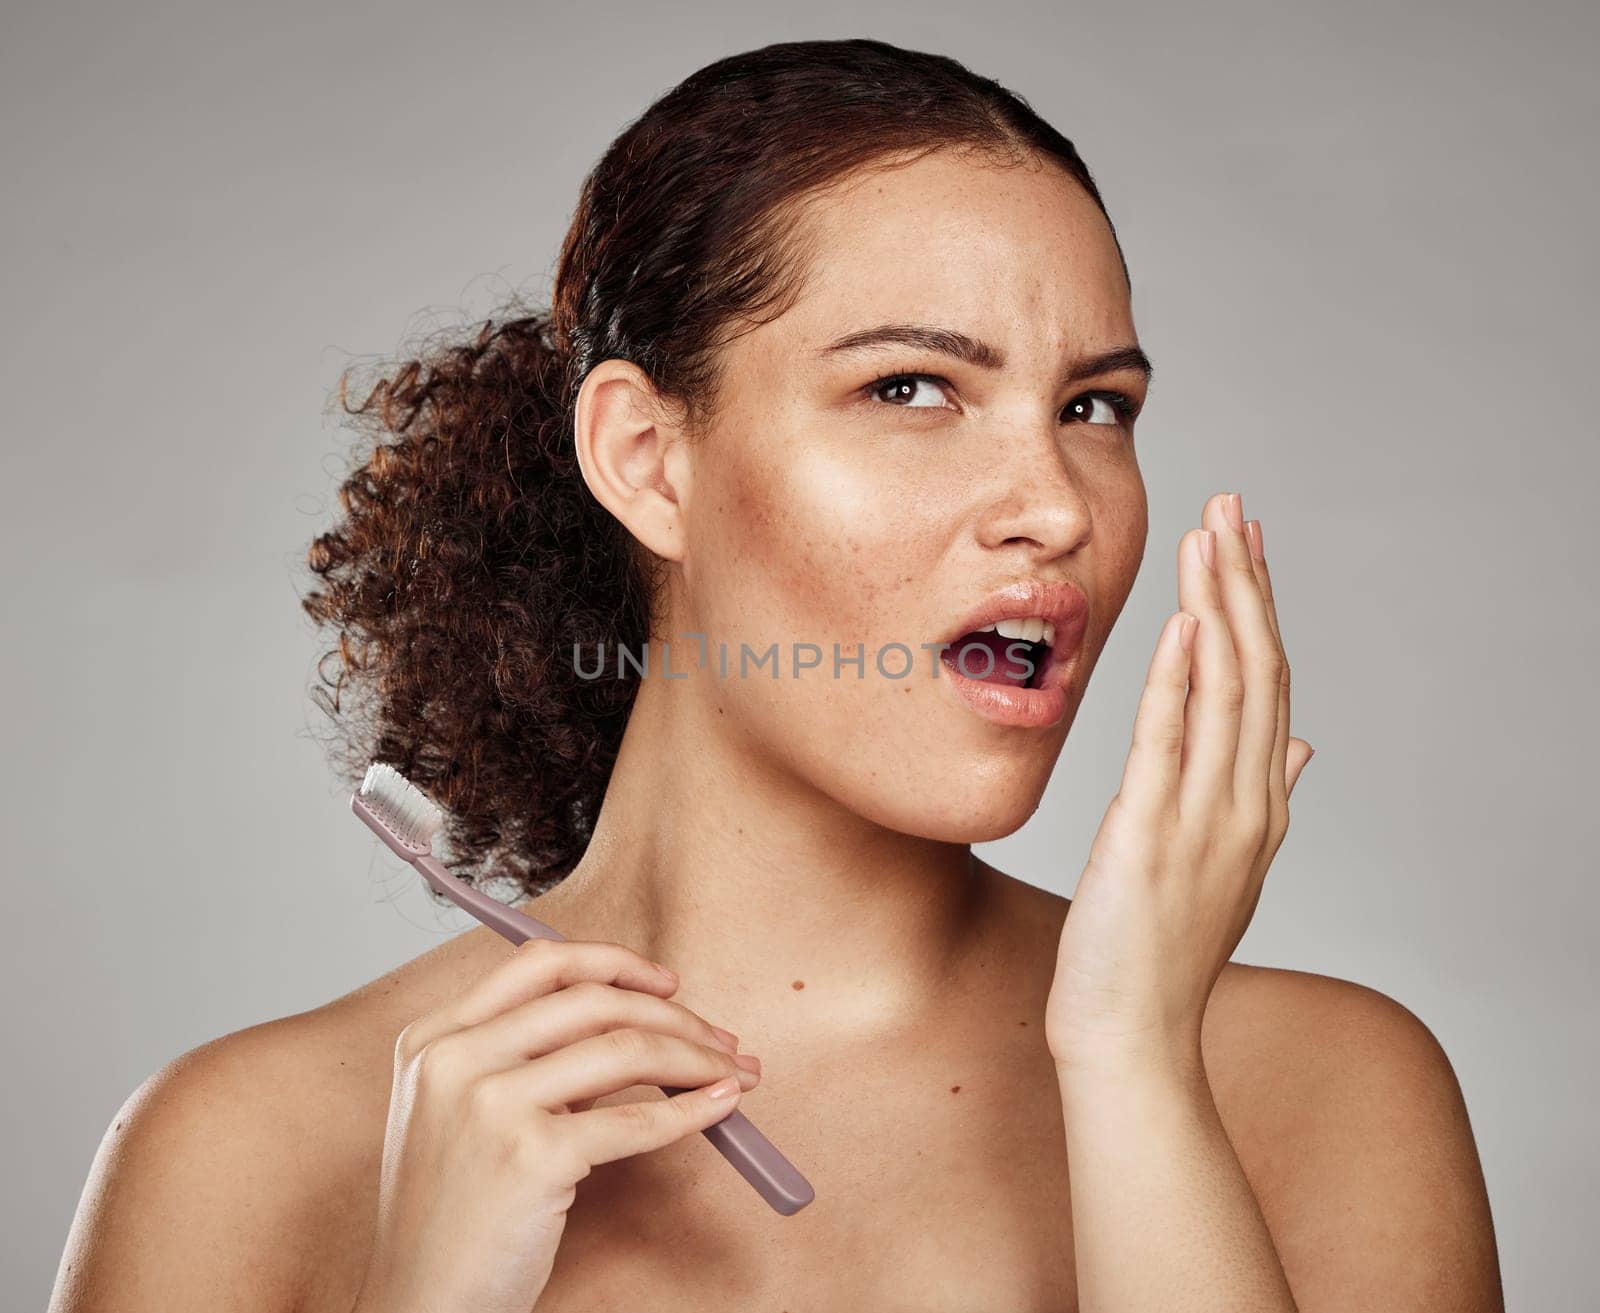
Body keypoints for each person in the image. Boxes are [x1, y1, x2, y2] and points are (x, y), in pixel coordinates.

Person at [48, 37, 1504, 1313]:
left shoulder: (1320, 1094)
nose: (1058, 505)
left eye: (1093, 406)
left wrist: (1132, 1064)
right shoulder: (243, 1155)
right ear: (647, 459)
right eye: (912, 387)